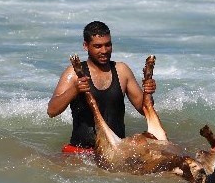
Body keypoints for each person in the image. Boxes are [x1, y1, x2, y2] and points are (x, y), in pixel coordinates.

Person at [46, 21, 156, 153]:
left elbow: (144, 110)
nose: (104, 51)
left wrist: (148, 92)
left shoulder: (122, 71)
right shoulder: (73, 73)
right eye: (98, 46)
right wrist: (74, 89)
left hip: (116, 150)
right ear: (86, 46)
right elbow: (52, 111)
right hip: (81, 154)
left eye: (108, 45)